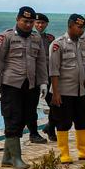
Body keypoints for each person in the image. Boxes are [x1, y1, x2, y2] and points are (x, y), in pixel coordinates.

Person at [0, 6, 48, 169]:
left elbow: (41, 62)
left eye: (31, 22)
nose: (28, 25)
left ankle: (7, 157)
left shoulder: (36, 39)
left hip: (30, 85)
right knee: (12, 119)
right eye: (25, 21)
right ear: (17, 20)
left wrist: (43, 82)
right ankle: (16, 159)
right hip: (11, 85)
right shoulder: (6, 37)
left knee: (25, 118)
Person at [48, 14, 85, 164]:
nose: (82, 30)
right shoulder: (58, 44)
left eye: (83, 28)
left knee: (83, 120)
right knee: (63, 122)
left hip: (81, 90)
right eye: (79, 27)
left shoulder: (83, 44)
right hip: (64, 91)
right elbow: (54, 70)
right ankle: (63, 152)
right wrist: (56, 92)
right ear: (70, 25)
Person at [29, 13, 53, 144]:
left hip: (48, 76)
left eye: (42, 23)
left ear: (46, 24)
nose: (40, 25)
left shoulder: (50, 38)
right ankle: (33, 133)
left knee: (55, 105)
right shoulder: (29, 37)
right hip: (32, 77)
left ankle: (51, 128)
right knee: (31, 107)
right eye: (37, 23)